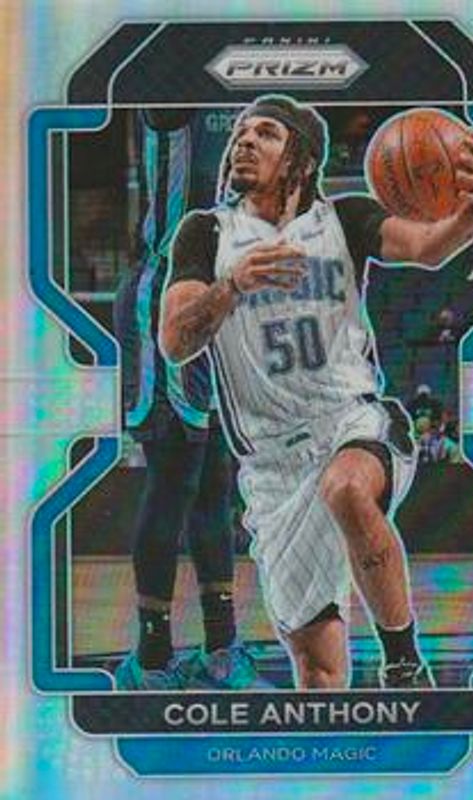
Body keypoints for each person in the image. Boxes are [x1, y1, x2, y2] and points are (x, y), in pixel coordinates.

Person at [159, 95, 473, 689]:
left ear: (301, 157)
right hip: (271, 468)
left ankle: (404, 666)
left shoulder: (344, 219)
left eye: (266, 133)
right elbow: (174, 340)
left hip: (352, 422)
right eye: (241, 132)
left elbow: (426, 246)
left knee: (346, 487)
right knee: (319, 674)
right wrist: (231, 286)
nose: (245, 141)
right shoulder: (206, 232)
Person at [113, 107, 268, 691]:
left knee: (214, 485)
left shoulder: (251, 104)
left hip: (222, 300)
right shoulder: (179, 91)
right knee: (175, 476)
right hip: (168, 295)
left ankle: (221, 648)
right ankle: (151, 659)